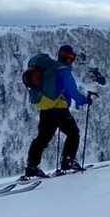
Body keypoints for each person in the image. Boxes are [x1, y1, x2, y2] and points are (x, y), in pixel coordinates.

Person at [24, 44, 93, 177]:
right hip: (58, 108)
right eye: (71, 58)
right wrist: (85, 100)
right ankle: (68, 161)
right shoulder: (63, 71)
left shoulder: (50, 69)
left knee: (43, 138)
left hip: (44, 108)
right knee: (73, 133)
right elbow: (73, 92)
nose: (71, 61)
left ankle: (31, 166)